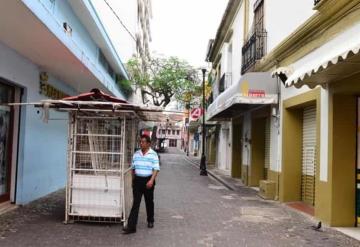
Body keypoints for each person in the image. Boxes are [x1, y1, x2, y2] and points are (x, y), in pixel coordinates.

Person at [123, 134, 160, 234]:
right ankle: (131, 226)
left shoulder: (153, 154)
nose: (141, 144)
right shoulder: (136, 154)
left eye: (143, 142)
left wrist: (151, 181)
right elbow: (133, 169)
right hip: (138, 181)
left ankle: (150, 220)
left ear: (148, 143)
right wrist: (132, 181)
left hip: (148, 180)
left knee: (149, 202)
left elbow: (156, 169)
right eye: (140, 142)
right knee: (136, 203)